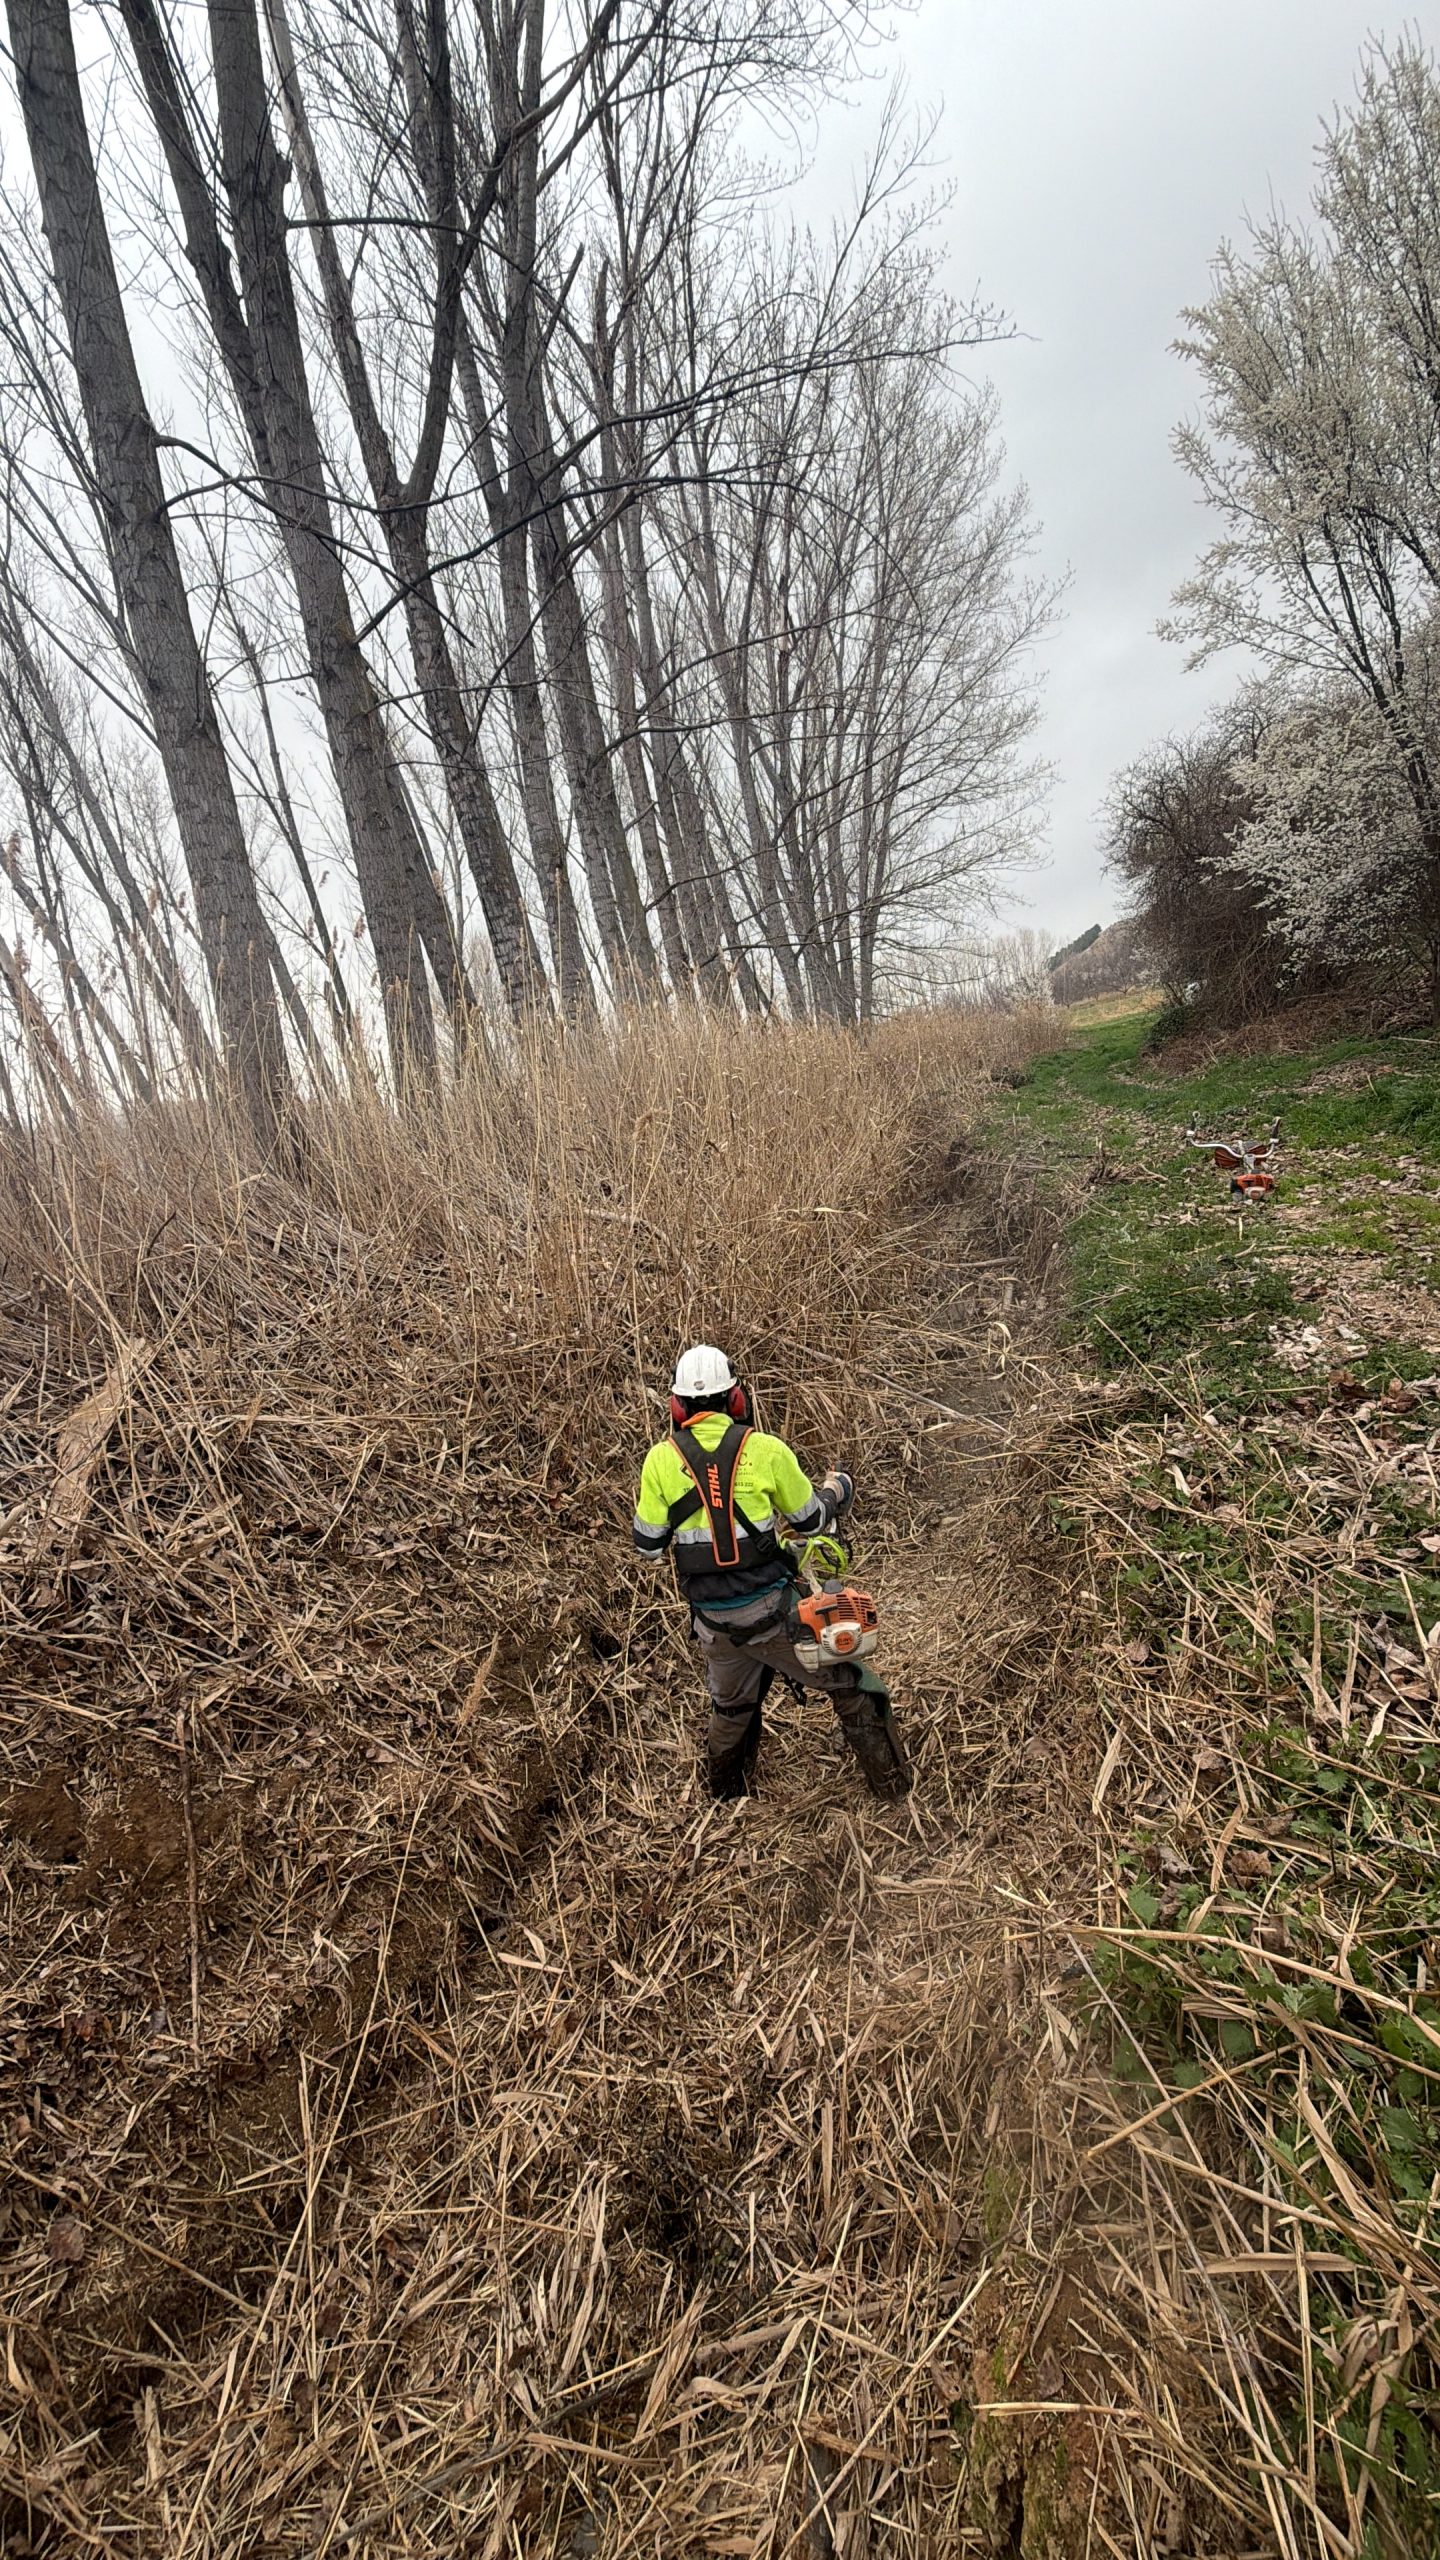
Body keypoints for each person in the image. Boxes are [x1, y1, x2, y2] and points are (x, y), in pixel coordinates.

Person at [632, 1344, 911, 1801]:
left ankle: (726, 1797)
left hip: (713, 1623)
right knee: (854, 1683)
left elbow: (647, 1547)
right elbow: (812, 1521)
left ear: (677, 1407)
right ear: (736, 1399)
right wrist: (836, 1490)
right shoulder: (765, 1450)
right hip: (772, 1616)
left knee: (732, 1707)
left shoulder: (658, 1461)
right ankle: (892, 1789)